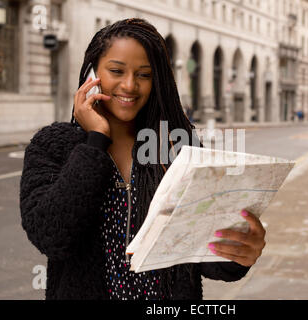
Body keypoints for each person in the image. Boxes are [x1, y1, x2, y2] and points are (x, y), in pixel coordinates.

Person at [19, 18, 266, 300]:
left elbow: (200, 255)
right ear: (91, 73)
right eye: (116, 71)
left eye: (144, 75)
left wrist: (238, 254)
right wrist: (95, 142)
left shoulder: (177, 145)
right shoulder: (53, 145)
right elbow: (51, 236)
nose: (130, 85)